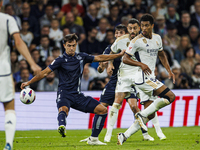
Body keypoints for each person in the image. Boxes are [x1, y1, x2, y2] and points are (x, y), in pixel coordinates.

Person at [20, 33, 125, 144]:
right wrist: (29, 82)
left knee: (102, 110)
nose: (71, 48)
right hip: (64, 94)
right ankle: (62, 126)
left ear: (76, 45)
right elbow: (44, 73)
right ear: (64, 45)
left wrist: (118, 55)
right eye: (69, 45)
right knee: (63, 109)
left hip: (77, 95)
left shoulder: (81, 57)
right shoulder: (60, 60)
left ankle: (94, 139)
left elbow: (100, 57)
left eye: (73, 45)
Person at [117, 14, 176, 145]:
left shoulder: (157, 38)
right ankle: (142, 116)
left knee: (149, 114)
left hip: (151, 78)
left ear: (152, 26)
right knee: (170, 96)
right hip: (142, 78)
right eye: (142, 25)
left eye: (146, 25)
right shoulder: (136, 41)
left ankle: (124, 135)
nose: (143, 28)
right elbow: (125, 58)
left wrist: (169, 70)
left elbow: (161, 54)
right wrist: (141, 64)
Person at [0, 1, 41, 149]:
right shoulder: (7, 19)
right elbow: (18, 41)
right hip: (3, 71)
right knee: (9, 107)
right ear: (1, 4)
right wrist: (32, 63)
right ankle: (9, 144)